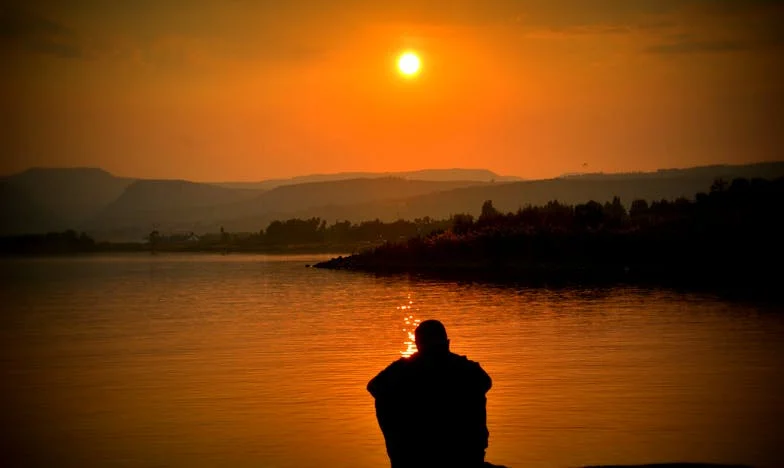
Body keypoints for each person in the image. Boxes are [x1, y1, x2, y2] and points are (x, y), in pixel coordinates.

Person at [368, 320, 494, 468]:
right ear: (447, 342)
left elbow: (374, 387)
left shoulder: (404, 369)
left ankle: (403, 455)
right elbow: (486, 382)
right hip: (464, 450)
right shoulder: (467, 368)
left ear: (418, 345)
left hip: (424, 450)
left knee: (385, 398)